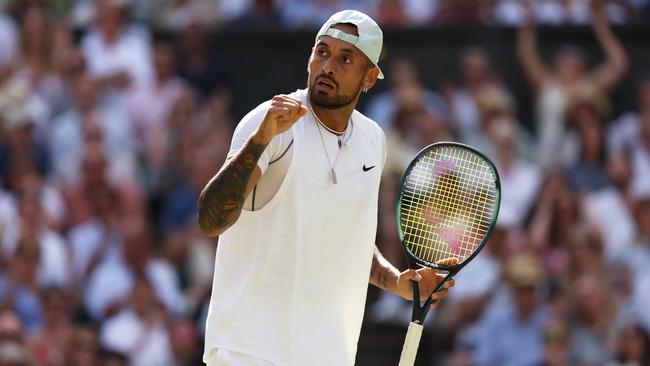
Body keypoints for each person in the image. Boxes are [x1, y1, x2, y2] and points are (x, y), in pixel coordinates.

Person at [197, 10, 454, 366]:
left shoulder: (372, 140)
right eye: (322, 52)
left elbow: (352, 240)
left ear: (370, 78)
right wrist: (258, 142)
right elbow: (211, 222)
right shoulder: (268, 123)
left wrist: (396, 281)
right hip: (249, 350)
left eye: (345, 58)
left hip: (327, 354)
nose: (328, 66)